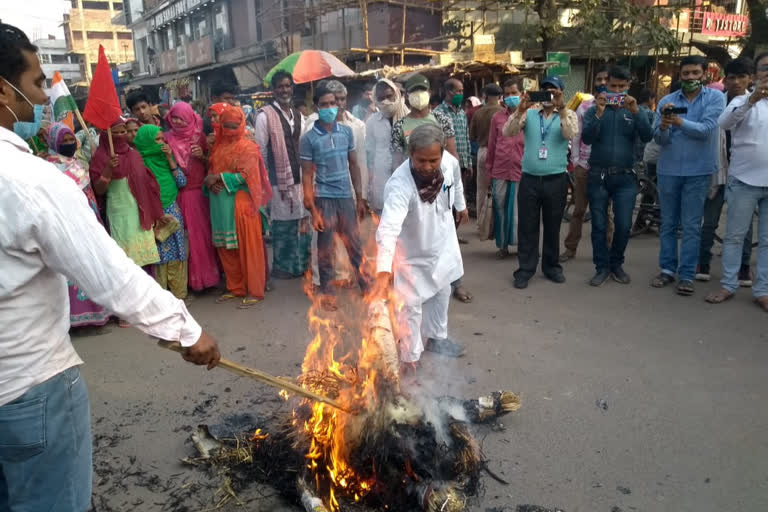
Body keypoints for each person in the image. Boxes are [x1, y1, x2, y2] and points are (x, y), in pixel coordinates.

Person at [0, 23, 220, 512]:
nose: (39, 99)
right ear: (2, 89)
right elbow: (110, 274)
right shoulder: (28, 180)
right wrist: (185, 331)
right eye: (36, 85)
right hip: (28, 390)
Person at [373, 124, 468, 365]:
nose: (427, 167)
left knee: (443, 291)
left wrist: (461, 205)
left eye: (432, 160)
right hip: (413, 254)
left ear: (442, 154)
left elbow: (456, 184)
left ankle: (437, 338)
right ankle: (410, 357)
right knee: (410, 306)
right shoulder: (399, 185)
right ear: (410, 155)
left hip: (443, 243)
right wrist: (383, 270)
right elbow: (388, 229)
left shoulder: (449, 164)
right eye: (420, 160)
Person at [650, 55, 726, 296]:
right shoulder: (667, 100)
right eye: (686, 74)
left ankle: (687, 275)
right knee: (669, 223)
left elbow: (706, 130)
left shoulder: (715, 98)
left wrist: (679, 121)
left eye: (695, 73)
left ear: (705, 74)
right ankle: (667, 269)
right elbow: (659, 139)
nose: (691, 78)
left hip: (698, 171)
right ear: (679, 75)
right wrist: (663, 125)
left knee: (692, 225)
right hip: (669, 170)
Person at [503, 75, 579, 289]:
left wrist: (562, 108)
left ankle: (551, 267)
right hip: (529, 179)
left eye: (553, 90)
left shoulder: (569, 114)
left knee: (553, 226)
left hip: (556, 179)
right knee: (527, 226)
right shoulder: (530, 114)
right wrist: (520, 109)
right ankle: (525, 269)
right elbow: (508, 131)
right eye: (545, 89)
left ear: (561, 93)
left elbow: (570, 134)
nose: (548, 94)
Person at [705, 53, 768, 310]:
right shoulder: (742, 100)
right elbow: (724, 122)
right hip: (743, 181)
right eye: (764, 68)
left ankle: (762, 290)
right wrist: (753, 99)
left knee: (767, 240)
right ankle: (728, 285)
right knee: (734, 236)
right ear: (755, 75)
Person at [581, 66, 653, 286]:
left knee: (623, 225)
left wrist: (636, 113)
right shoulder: (594, 110)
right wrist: (599, 114)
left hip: (625, 177)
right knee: (599, 226)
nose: (617, 91)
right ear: (606, 85)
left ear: (629, 87)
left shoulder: (636, 111)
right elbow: (587, 139)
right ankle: (601, 268)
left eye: (622, 87)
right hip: (598, 175)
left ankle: (616, 265)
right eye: (613, 86)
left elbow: (648, 135)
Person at [300, 83, 369, 311]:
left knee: (355, 246)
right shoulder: (309, 139)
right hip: (323, 199)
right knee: (325, 249)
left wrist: (359, 198)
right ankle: (327, 293)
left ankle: (367, 287)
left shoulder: (347, 132)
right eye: (325, 104)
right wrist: (313, 210)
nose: (331, 107)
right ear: (316, 107)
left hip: (346, 198)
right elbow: (307, 175)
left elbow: (354, 165)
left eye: (334, 103)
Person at [44, 122, 110, 328]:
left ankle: (95, 313)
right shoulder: (48, 167)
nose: (68, 143)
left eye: (71, 139)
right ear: (53, 142)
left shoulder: (79, 164)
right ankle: (71, 318)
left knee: (90, 263)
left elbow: (90, 192)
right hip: (64, 222)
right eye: (63, 141)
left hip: (87, 218)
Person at [205, 106, 272, 308]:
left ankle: (254, 290)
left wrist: (220, 178)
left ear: (242, 124)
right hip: (219, 204)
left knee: (248, 249)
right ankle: (235, 288)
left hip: (242, 203)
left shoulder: (248, 147)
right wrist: (209, 179)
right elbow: (211, 169)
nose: (230, 130)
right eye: (226, 126)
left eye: (235, 126)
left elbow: (247, 175)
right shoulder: (218, 146)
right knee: (226, 247)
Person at [696, 58, 755, 285]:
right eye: (732, 77)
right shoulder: (716, 102)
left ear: (750, 78)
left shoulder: (758, 102)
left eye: (742, 77)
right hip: (717, 170)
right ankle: (703, 262)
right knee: (709, 221)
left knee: (744, 226)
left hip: (744, 174)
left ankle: (743, 268)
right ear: (725, 80)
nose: (737, 82)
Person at [254, 71, 312, 280]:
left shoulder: (298, 115)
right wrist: (265, 181)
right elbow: (260, 150)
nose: (284, 90)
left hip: (300, 176)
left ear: (292, 88)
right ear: (273, 90)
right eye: (280, 86)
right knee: (283, 224)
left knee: (303, 221)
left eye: (287, 86)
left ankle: (302, 265)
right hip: (279, 181)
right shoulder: (264, 116)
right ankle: (284, 267)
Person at [423, 77, 476, 303]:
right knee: (423, 239)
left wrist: (460, 201)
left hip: (448, 177)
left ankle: (455, 282)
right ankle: (427, 284)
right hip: (418, 188)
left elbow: (454, 152)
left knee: (449, 235)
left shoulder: (445, 118)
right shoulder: (403, 123)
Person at [90, 118, 164, 271]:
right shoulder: (100, 157)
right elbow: (99, 190)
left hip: (140, 214)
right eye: (114, 133)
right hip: (118, 214)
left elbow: (146, 186)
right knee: (125, 263)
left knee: (146, 261)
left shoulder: (134, 155)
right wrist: (109, 169)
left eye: (122, 131)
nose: (120, 135)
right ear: (105, 135)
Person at [164, 101, 221, 292]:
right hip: (179, 194)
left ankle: (207, 279)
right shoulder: (166, 140)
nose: (178, 121)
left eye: (181, 117)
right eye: (174, 118)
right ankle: (189, 281)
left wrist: (202, 157)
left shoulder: (200, 137)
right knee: (185, 238)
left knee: (202, 237)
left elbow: (211, 166)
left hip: (199, 195)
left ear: (189, 116)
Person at [134, 124, 189, 300]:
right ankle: (162, 298)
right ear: (146, 142)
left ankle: (179, 294)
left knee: (178, 250)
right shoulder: (138, 163)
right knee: (158, 254)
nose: (161, 142)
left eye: (162, 138)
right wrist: (156, 213)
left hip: (172, 208)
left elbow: (181, 182)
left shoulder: (166, 158)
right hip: (153, 213)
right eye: (156, 139)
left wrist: (170, 158)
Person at [561, 66, 610, 261]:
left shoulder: (619, 106)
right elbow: (576, 135)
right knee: (579, 210)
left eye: (606, 79)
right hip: (584, 166)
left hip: (606, 168)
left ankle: (606, 250)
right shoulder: (584, 106)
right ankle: (570, 249)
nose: (603, 83)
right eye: (599, 80)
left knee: (606, 212)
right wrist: (576, 162)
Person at [486, 78, 525, 258]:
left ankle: (520, 245)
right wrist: (489, 170)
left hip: (521, 169)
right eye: (507, 94)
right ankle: (502, 246)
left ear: (522, 94)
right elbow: (492, 145)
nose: (510, 97)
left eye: (514, 93)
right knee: (499, 206)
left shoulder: (530, 116)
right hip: (500, 168)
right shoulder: (497, 117)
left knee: (518, 208)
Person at [391, 73, 458, 167]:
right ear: (406, 95)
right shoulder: (399, 126)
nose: (419, 93)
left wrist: (455, 179)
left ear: (429, 93)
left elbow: (452, 153)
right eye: (414, 90)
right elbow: (397, 162)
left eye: (422, 90)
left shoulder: (442, 120)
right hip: (411, 177)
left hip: (440, 176)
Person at [366, 78, 409, 215]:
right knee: (384, 218)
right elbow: (369, 151)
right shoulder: (372, 121)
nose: (385, 101)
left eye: (389, 96)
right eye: (381, 98)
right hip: (381, 176)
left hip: (406, 173)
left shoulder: (409, 117)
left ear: (396, 94)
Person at [469, 83, 504, 238]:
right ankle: (496, 226)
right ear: (500, 97)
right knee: (498, 189)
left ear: (485, 96)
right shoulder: (503, 113)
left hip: (483, 151)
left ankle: (481, 225)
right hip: (499, 152)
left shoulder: (478, 113)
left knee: (482, 189)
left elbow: (472, 136)